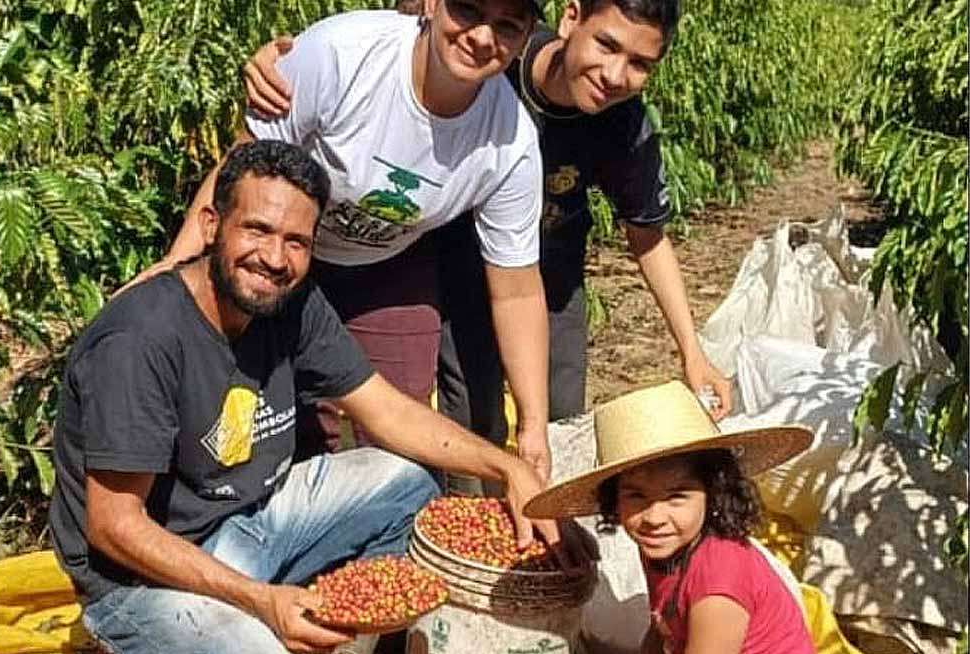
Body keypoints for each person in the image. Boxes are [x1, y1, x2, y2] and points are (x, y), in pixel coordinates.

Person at [50, 140, 569, 654]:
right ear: (211, 225)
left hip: (248, 523)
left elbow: (385, 410)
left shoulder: (293, 303)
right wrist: (259, 601)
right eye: (257, 230)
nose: (275, 258)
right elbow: (113, 526)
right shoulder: (142, 339)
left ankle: (336, 636)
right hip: (141, 585)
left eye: (296, 241)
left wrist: (507, 469)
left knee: (409, 484)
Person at [241, 0, 731, 495]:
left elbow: (646, 236)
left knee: (559, 417)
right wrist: (287, 61)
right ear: (570, 18)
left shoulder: (620, 126)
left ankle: (532, 539)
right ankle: (458, 525)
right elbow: (399, 40)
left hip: (545, 276)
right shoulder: (495, 46)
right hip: (447, 262)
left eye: (639, 63)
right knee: (466, 419)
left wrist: (692, 350)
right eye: (606, 45)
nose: (614, 73)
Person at [125, 0, 556, 485]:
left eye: (507, 27)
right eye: (467, 11)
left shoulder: (510, 142)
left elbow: (517, 289)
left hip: (389, 265)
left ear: (525, 38)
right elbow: (244, 166)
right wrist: (178, 265)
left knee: (399, 436)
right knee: (273, 416)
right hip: (283, 254)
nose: (481, 37)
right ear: (433, 4)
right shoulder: (341, 55)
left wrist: (534, 428)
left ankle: (379, 540)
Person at [524, 381, 816, 654]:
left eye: (677, 497)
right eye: (636, 496)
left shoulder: (718, 581)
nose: (654, 517)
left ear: (713, 493)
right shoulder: (667, 546)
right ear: (615, 499)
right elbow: (662, 626)